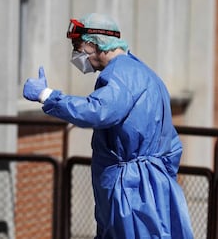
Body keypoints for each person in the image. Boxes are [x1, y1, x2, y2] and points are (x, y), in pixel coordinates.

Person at [23, 13, 194, 239]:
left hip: (130, 189)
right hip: (149, 186)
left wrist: (47, 96)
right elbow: (171, 144)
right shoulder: (144, 73)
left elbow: (97, 111)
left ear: (95, 43)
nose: (76, 54)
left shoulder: (120, 75)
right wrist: (157, 179)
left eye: (78, 46)